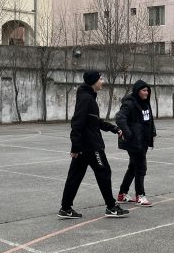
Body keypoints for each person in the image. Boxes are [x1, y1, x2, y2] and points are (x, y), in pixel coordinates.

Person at [58, 70, 129, 219]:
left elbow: (94, 121)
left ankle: (65, 208)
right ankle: (111, 207)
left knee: (75, 176)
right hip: (90, 145)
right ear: (93, 81)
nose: (102, 81)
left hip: (86, 145)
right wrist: (75, 146)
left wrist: (113, 128)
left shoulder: (89, 97)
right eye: (100, 79)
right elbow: (77, 122)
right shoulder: (86, 98)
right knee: (103, 172)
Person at [115, 80, 157, 207]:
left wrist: (153, 133)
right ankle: (140, 195)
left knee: (133, 167)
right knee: (141, 167)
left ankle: (122, 194)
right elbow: (120, 118)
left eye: (147, 90)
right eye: (144, 90)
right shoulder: (130, 103)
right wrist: (128, 134)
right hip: (134, 142)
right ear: (137, 91)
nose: (146, 93)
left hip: (143, 141)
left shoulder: (145, 103)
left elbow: (149, 120)